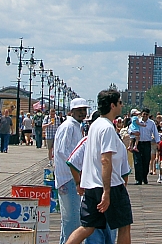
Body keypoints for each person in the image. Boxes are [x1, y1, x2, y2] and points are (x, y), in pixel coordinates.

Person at [64, 88, 133, 244]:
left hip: (91, 185)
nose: (122, 105)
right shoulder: (108, 128)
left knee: (88, 227)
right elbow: (105, 160)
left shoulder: (95, 125)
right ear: (113, 105)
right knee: (124, 225)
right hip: (111, 186)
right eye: (120, 102)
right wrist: (107, 192)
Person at [55, 97, 91, 244]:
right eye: (79, 110)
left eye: (84, 110)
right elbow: (63, 151)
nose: (82, 113)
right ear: (72, 111)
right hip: (68, 177)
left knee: (69, 220)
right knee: (72, 219)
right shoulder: (69, 126)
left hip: (70, 176)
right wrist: (77, 168)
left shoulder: (76, 126)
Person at [133, 108, 160, 185]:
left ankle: (144, 176)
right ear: (141, 114)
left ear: (148, 115)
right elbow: (131, 129)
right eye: (144, 114)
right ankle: (138, 179)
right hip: (138, 143)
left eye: (146, 114)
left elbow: (155, 133)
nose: (145, 116)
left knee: (146, 161)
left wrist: (158, 142)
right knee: (137, 161)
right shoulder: (137, 121)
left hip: (147, 143)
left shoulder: (151, 123)